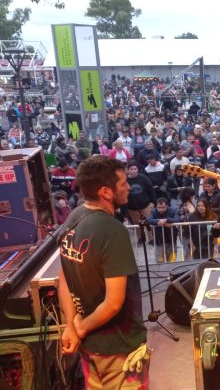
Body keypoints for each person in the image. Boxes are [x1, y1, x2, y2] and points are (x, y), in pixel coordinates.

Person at [58, 156, 149, 389]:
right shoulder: (112, 231)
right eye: (122, 183)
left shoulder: (73, 217)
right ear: (106, 192)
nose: (128, 187)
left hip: (90, 348)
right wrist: (80, 327)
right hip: (120, 348)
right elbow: (113, 303)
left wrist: (71, 324)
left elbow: (64, 279)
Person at [126, 161, 155, 245]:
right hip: (132, 208)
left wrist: (152, 202)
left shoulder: (143, 178)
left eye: (135, 169)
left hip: (146, 205)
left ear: (137, 169)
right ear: (128, 170)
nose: (133, 171)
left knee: (149, 222)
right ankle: (141, 239)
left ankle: (151, 239)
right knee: (137, 224)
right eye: (131, 169)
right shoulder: (125, 180)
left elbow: (151, 190)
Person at [148, 197, 180, 263]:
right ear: (156, 207)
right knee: (159, 261)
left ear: (167, 206)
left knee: (172, 261)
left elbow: (177, 219)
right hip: (159, 241)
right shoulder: (153, 212)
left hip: (171, 240)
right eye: (159, 208)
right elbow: (149, 220)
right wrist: (158, 222)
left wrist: (167, 220)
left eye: (163, 207)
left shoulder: (173, 210)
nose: (161, 209)